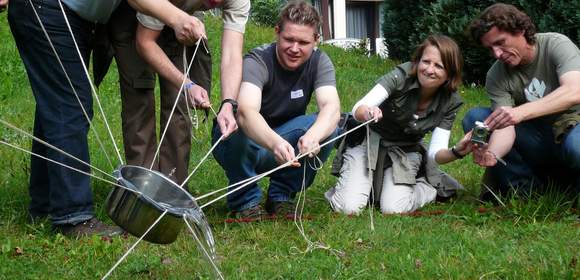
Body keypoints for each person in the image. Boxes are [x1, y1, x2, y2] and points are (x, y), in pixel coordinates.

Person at [212, 1, 341, 221]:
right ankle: (245, 201)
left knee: (330, 128)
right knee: (239, 124)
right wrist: (275, 143)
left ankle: (281, 196)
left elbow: (331, 107)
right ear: (277, 32)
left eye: (303, 42)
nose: (294, 48)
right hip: (240, 142)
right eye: (289, 39)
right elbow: (246, 112)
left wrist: (313, 136)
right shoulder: (258, 59)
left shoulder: (320, 62)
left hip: (283, 144)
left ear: (316, 41)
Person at [7, 0, 123, 237]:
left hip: (69, 15)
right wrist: (177, 18)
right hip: (46, 9)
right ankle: (73, 216)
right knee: (70, 105)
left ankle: (45, 205)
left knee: (57, 103)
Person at [326, 34, 470, 215]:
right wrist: (368, 112)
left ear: (450, 73)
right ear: (417, 61)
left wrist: (457, 151)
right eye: (426, 62)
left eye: (439, 66)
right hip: (369, 141)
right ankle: (361, 188)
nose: (429, 69)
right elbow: (358, 108)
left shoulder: (451, 101)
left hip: (406, 150)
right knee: (348, 208)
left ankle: (429, 186)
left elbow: (435, 154)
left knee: (393, 209)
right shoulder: (400, 76)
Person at [121, 0, 249, 185]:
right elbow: (144, 42)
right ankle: (142, 186)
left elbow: (231, 54)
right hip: (136, 16)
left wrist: (228, 104)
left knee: (179, 103)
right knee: (139, 94)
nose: (216, 2)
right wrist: (188, 85)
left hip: (184, 17)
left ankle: (172, 189)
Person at [463, 3, 580, 200]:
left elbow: (574, 91)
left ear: (521, 30)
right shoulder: (496, 75)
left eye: (501, 43)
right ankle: (527, 192)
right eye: (491, 48)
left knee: (576, 145)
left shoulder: (555, 44)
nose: (497, 54)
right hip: (538, 141)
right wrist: (492, 153)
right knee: (477, 118)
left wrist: (520, 112)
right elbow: (504, 127)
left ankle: (571, 188)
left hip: (573, 127)